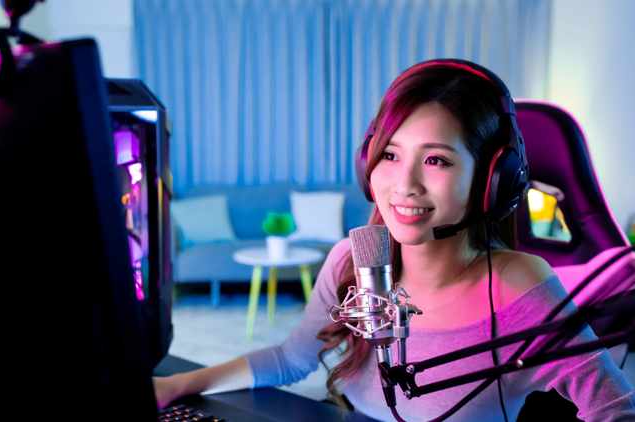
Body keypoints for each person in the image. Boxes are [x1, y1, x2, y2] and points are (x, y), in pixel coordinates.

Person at [153, 61, 635, 421]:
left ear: (493, 179)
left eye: (437, 160)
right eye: (389, 154)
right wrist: (175, 385)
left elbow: (615, 408)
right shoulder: (353, 260)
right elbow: (290, 358)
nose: (403, 185)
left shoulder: (519, 285)